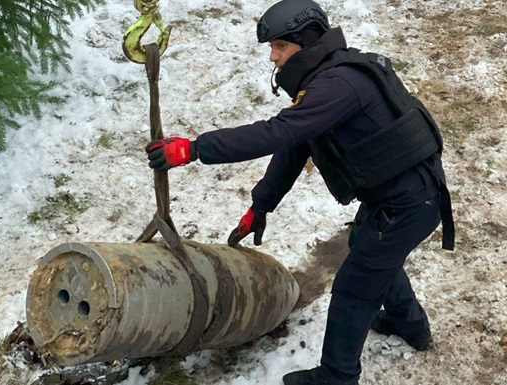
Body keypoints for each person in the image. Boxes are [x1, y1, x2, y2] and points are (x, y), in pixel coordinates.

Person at [144, 0, 455, 384]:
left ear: (305, 43)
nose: (273, 58)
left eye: (280, 47)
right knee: (368, 249)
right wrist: (260, 206)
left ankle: (337, 376)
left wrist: (193, 149)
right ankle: (410, 325)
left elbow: (278, 133)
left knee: (354, 289)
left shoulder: (338, 86)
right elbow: (295, 146)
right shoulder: (329, 78)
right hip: (402, 195)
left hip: (409, 201)